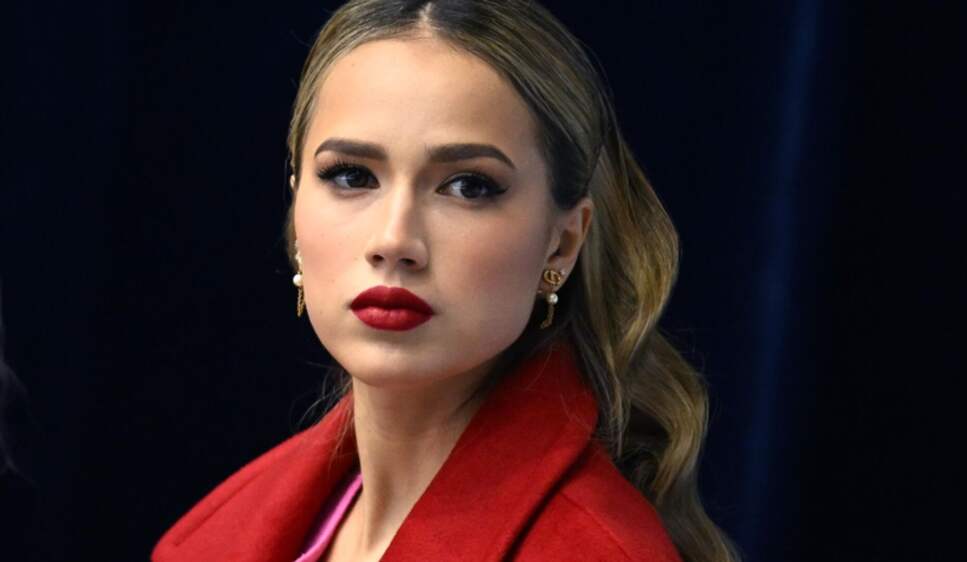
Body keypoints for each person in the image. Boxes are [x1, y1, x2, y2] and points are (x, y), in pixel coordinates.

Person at [153, 1, 739, 561]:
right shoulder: (216, 536)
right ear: (296, 206)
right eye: (351, 175)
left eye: (467, 186)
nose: (394, 240)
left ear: (562, 243)